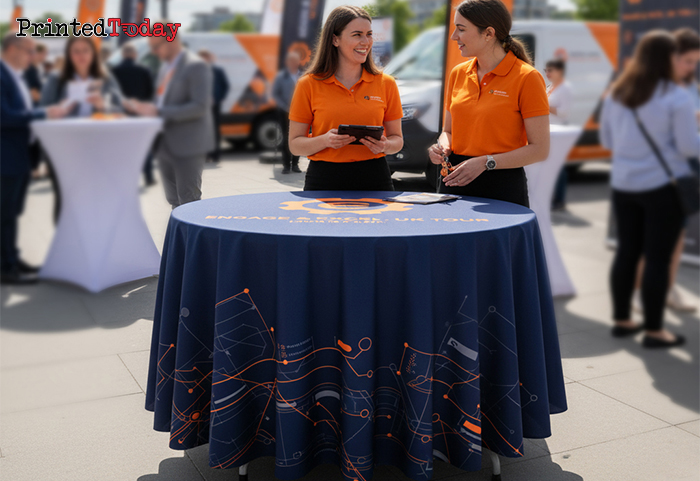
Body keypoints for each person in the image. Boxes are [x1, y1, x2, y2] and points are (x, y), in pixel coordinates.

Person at [600, 30, 700, 348]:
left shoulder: (618, 92)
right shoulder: (676, 97)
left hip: (623, 184)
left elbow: (606, 140)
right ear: (668, 58)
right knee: (657, 258)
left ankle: (622, 321)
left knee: (627, 253)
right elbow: (688, 147)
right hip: (662, 187)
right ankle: (655, 331)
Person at [428, 0, 550, 207]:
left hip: (501, 185)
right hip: (454, 179)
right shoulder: (458, 73)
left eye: (461, 29)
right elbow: (448, 131)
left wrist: (486, 163)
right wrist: (441, 147)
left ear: (488, 33)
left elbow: (540, 149)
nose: (454, 36)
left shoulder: (527, 77)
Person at [288, 6, 404, 191]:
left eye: (369, 34)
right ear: (335, 39)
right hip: (324, 179)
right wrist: (325, 140)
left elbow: (397, 140)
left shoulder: (386, 83)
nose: (366, 41)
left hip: (375, 177)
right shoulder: (308, 84)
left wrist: (385, 145)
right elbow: (295, 145)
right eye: (357, 35)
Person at [1, 35, 71, 284]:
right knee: (5, 213)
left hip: (19, 154)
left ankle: (12, 258)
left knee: (12, 212)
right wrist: (44, 113)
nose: (33, 57)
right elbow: (4, 116)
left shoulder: (14, 75)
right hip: (6, 156)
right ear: (12, 49)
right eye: (28, 51)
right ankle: (6, 268)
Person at [125, 23, 215, 208]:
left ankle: (187, 229)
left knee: (189, 202)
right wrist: (145, 108)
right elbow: (163, 100)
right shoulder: (166, 68)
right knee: (174, 201)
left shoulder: (196, 66)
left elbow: (200, 106)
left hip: (188, 146)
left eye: (156, 46)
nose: (153, 52)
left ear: (172, 40)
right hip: (165, 144)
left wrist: (158, 111)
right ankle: (176, 228)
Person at [40, 36, 123, 223]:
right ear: (69, 55)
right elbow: (43, 110)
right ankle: (66, 238)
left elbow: (120, 110)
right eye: (76, 51)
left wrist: (103, 106)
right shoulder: (57, 79)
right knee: (65, 201)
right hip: (63, 148)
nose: (81, 56)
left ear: (93, 54)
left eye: (85, 51)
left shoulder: (105, 78)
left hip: (97, 149)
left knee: (95, 199)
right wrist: (58, 109)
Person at [112, 43, 157, 186]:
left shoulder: (114, 71)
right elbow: (151, 91)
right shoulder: (144, 70)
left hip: (122, 112)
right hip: (141, 111)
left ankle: (125, 179)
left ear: (123, 54)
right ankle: (149, 176)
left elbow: (112, 93)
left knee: (122, 146)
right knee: (144, 144)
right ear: (135, 54)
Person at [545, 58, 575, 211]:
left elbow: (564, 113)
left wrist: (544, 106)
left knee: (559, 167)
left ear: (560, 71)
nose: (547, 73)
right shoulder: (550, 86)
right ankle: (548, 198)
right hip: (547, 130)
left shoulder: (565, 89)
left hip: (559, 131)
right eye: (546, 70)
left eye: (551, 70)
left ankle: (559, 200)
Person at [272, 51, 302, 174]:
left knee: (299, 137)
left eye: (295, 60)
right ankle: (286, 165)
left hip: (300, 113)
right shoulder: (281, 76)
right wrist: (285, 107)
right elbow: (275, 94)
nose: (293, 63)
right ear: (287, 62)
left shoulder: (303, 75)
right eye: (291, 60)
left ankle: (295, 164)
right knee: (286, 138)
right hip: (285, 112)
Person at [198, 50, 230, 164]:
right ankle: (205, 155)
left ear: (209, 58)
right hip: (201, 106)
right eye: (202, 57)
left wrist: (218, 99)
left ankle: (215, 155)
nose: (204, 59)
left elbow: (226, 86)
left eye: (206, 57)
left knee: (214, 130)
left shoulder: (218, 71)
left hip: (214, 105)